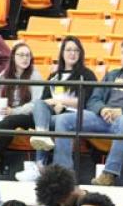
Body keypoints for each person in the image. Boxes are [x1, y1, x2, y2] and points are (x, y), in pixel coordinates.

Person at [52, 38, 123, 186]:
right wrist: (102, 109)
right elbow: (94, 99)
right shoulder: (111, 75)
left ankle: (109, 174)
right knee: (64, 120)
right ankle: (64, 174)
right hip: (104, 119)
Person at [18, 36, 97, 181]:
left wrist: (61, 101)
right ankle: (42, 138)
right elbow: (44, 101)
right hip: (53, 115)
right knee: (38, 104)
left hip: (75, 116)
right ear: (62, 53)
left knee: (53, 121)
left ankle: (41, 164)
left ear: (80, 54)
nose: (72, 53)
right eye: (68, 50)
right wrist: (55, 104)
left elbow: (87, 100)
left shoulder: (86, 75)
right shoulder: (54, 76)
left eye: (76, 50)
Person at [0, 42, 43, 173]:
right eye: (21, 55)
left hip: (27, 115)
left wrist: (14, 111)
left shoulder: (34, 75)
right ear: (13, 57)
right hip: (7, 111)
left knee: (7, 122)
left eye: (28, 55)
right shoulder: (4, 75)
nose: (25, 58)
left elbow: (37, 103)